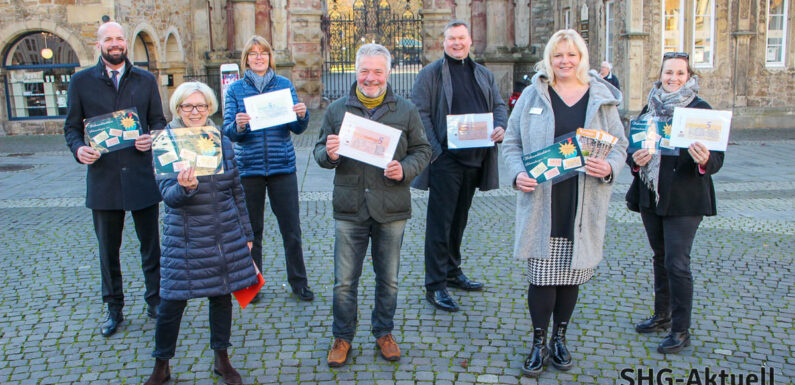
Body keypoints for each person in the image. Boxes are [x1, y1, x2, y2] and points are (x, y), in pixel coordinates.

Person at [502, 30, 627, 377]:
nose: (565, 61)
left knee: (572, 275)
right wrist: (516, 175)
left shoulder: (601, 98)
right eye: (558, 55)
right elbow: (510, 143)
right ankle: (538, 342)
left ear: (581, 57)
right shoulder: (533, 94)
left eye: (571, 55)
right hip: (542, 199)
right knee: (541, 276)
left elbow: (619, 146)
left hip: (582, 200)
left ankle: (560, 338)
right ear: (549, 58)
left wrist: (610, 167)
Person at [314, 44, 431, 367]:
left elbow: (423, 150)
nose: (370, 78)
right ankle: (342, 337)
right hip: (350, 207)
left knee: (389, 278)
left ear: (388, 73)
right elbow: (319, 152)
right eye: (365, 71)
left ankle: (384, 332)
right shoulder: (338, 110)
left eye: (378, 71)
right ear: (356, 71)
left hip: (391, 205)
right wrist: (330, 154)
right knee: (344, 281)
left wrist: (404, 169)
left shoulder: (405, 109)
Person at [144, 82, 258, 385]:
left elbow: (236, 189)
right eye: (187, 106)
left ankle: (222, 358)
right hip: (184, 236)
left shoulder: (219, 138)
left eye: (201, 106)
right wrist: (186, 188)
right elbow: (168, 195)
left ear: (210, 108)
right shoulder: (166, 141)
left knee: (221, 297)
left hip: (223, 231)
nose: (195, 112)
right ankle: (161, 364)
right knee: (171, 303)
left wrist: (247, 232)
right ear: (177, 109)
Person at [63, 21, 165, 337]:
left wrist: (152, 138)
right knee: (108, 250)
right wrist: (79, 149)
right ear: (99, 45)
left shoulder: (146, 80)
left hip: (140, 176)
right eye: (109, 39)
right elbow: (71, 128)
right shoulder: (81, 82)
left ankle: (155, 301)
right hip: (104, 179)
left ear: (126, 43)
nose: (115, 43)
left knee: (151, 246)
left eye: (120, 38)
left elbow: (158, 122)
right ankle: (114, 307)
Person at [626, 52, 722, 354]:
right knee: (659, 256)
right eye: (669, 73)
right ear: (661, 74)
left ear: (688, 76)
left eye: (680, 73)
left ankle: (681, 330)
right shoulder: (649, 107)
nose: (673, 78)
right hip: (651, 195)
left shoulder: (700, 109)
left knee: (677, 263)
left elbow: (716, 160)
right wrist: (635, 160)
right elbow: (635, 150)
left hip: (685, 198)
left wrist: (705, 159)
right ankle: (662, 316)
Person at [411, 20, 508, 312]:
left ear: (470, 41)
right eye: (452, 38)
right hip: (446, 161)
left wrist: (501, 126)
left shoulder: (483, 73)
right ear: (444, 42)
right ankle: (435, 285)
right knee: (440, 224)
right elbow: (420, 112)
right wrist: (436, 152)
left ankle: (452, 272)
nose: (457, 43)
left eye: (461, 38)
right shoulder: (430, 74)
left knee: (459, 220)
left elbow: (500, 106)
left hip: (475, 160)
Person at [222, 35, 313, 302]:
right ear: (246, 59)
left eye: (263, 52)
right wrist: (239, 125)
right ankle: (252, 283)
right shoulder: (236, 90)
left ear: (269, 56)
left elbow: (297, 128)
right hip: (249, 168)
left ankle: (299, 283)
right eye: (253, 53)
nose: (259, 57)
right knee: (252, 231)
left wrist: (301, 115)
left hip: (281, 166)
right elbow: (228, 132)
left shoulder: (284, 85)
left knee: (291, 229)